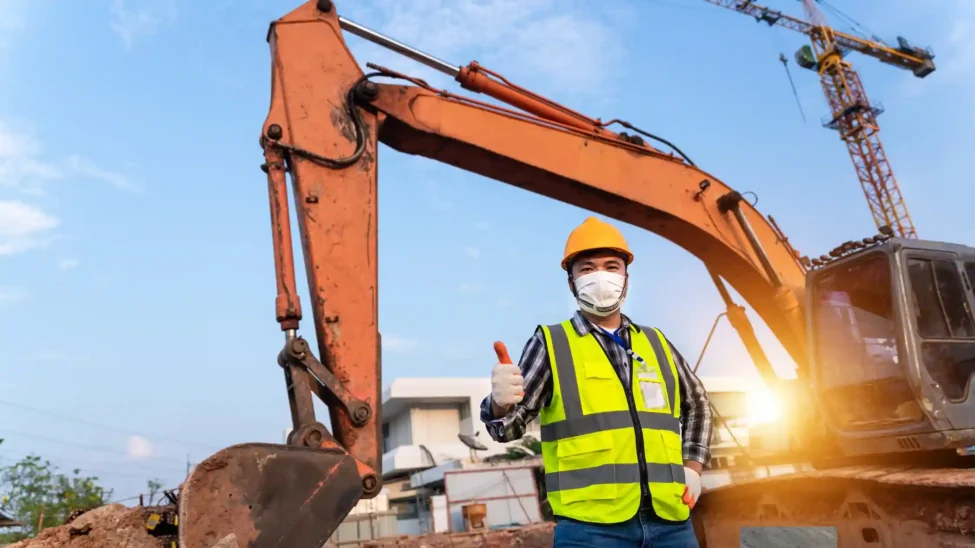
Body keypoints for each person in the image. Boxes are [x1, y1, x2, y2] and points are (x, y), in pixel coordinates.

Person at [480, 216, 713, 547]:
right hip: (591, 530)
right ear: (571, 283)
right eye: (587, 269)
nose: (601, 276)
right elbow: (506, 428)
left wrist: (693, 467)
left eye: (611, 266)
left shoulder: (656, 342)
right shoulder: (551, 343)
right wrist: (500, 402)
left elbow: (698, 403)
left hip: (671, 523)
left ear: (626, 279)